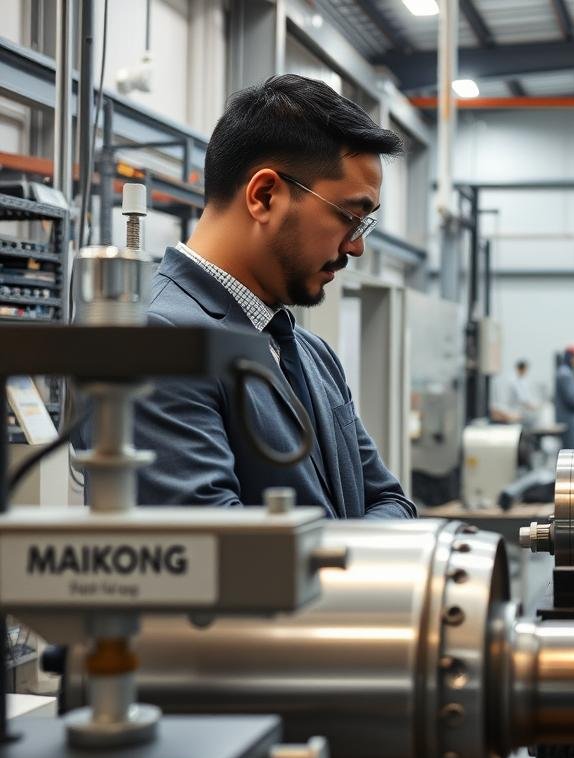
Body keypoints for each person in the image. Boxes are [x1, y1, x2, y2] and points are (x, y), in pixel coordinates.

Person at [99, 74, 415, 519]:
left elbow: (391, 501)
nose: (356, 246)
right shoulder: (155, 344)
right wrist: (360, 563)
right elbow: (213, 557)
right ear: (265, 195)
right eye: (350, 216)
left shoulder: (311, 353)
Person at [554, 345, 574, 449]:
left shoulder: (569, 372)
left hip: (569, 417)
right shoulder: (565, 374)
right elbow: (571, 398)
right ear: (569, 358)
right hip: (566, 418)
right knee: (570, 448)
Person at [502, 358, 539, 427]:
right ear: (522, 369)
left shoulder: (522, 381)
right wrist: (534, 407)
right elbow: (523, 399)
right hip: (515, 414)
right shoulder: (514, 382)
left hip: (519, 413)